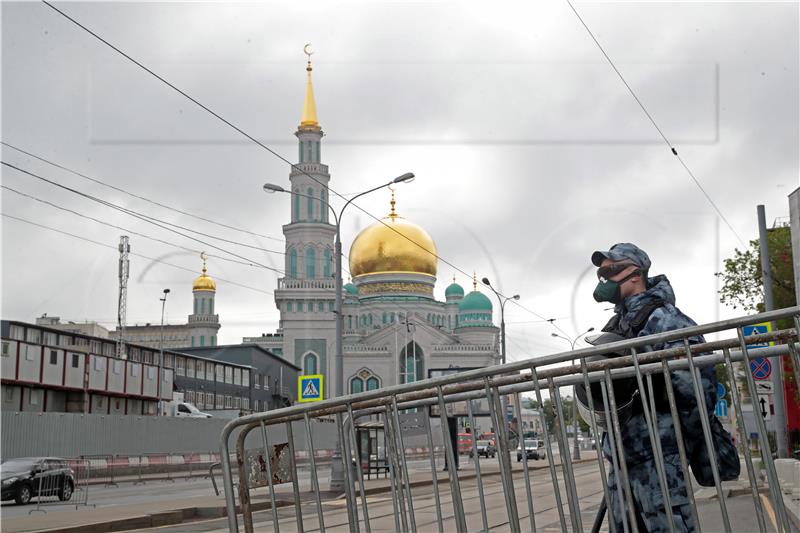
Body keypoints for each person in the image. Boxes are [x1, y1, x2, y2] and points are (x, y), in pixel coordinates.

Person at [590, 242, 738, 533]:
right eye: (602, 273)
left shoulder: (664, 319)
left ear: (635, 273)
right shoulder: (616, 325)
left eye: (612, 270)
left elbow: (699, 390)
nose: (605, 279)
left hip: (656, 456)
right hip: (622, 458)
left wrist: (672, 435)